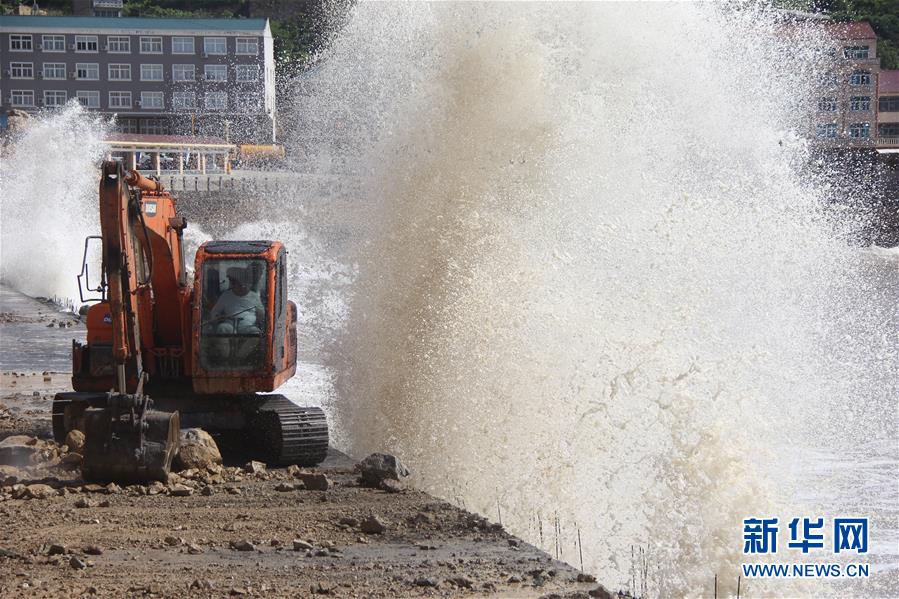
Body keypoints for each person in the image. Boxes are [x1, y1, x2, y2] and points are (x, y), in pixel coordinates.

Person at [208, 268, 264, 362]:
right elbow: (214, 312)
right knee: (222, 328)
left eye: (234, 283)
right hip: (229, 324)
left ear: (242, 283)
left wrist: (261, 318)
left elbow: (262, 314)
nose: (232, 285)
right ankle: (226, 358)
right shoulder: (226, 296)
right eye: (232, 283)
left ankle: (239, 358)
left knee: (256, 334)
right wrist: (217, 317)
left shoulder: (254, 297)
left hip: (247, 326)